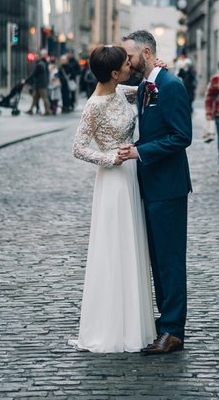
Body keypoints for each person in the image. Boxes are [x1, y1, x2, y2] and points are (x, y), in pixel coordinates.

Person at [69, 45, 156, 353]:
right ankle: (111, 325)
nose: (130, 66)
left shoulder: (122, 92)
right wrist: (109, 157)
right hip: (114, 179)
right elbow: (78, 148)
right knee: (114, 248)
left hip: (132, 176)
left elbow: (146, 89)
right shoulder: (94, 105)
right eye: (125, 65)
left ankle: (135, 320)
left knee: (132, 245)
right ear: (114, 73)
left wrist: (158, 68)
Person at [118, 30, 193, 356]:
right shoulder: (146, 85)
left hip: (168, 188)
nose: (126, 61)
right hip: (151, 186)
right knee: (157, 259)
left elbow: (181, 137)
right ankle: (166, 322)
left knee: (170, 261)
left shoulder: (172, 86)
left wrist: (139, 151)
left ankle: (174, 330)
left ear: (146, 53)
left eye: (130, 55)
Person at [25, 49, 52, 115]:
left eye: (36, 56)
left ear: (39, 57)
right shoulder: (42, 63)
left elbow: (33, 74)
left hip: (41, 85)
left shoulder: (40, 64)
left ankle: (48, 111)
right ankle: (31, 110)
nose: (35, 57)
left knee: (44, 98)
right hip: (39, 84)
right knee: (35, 98)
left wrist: (26, 81)